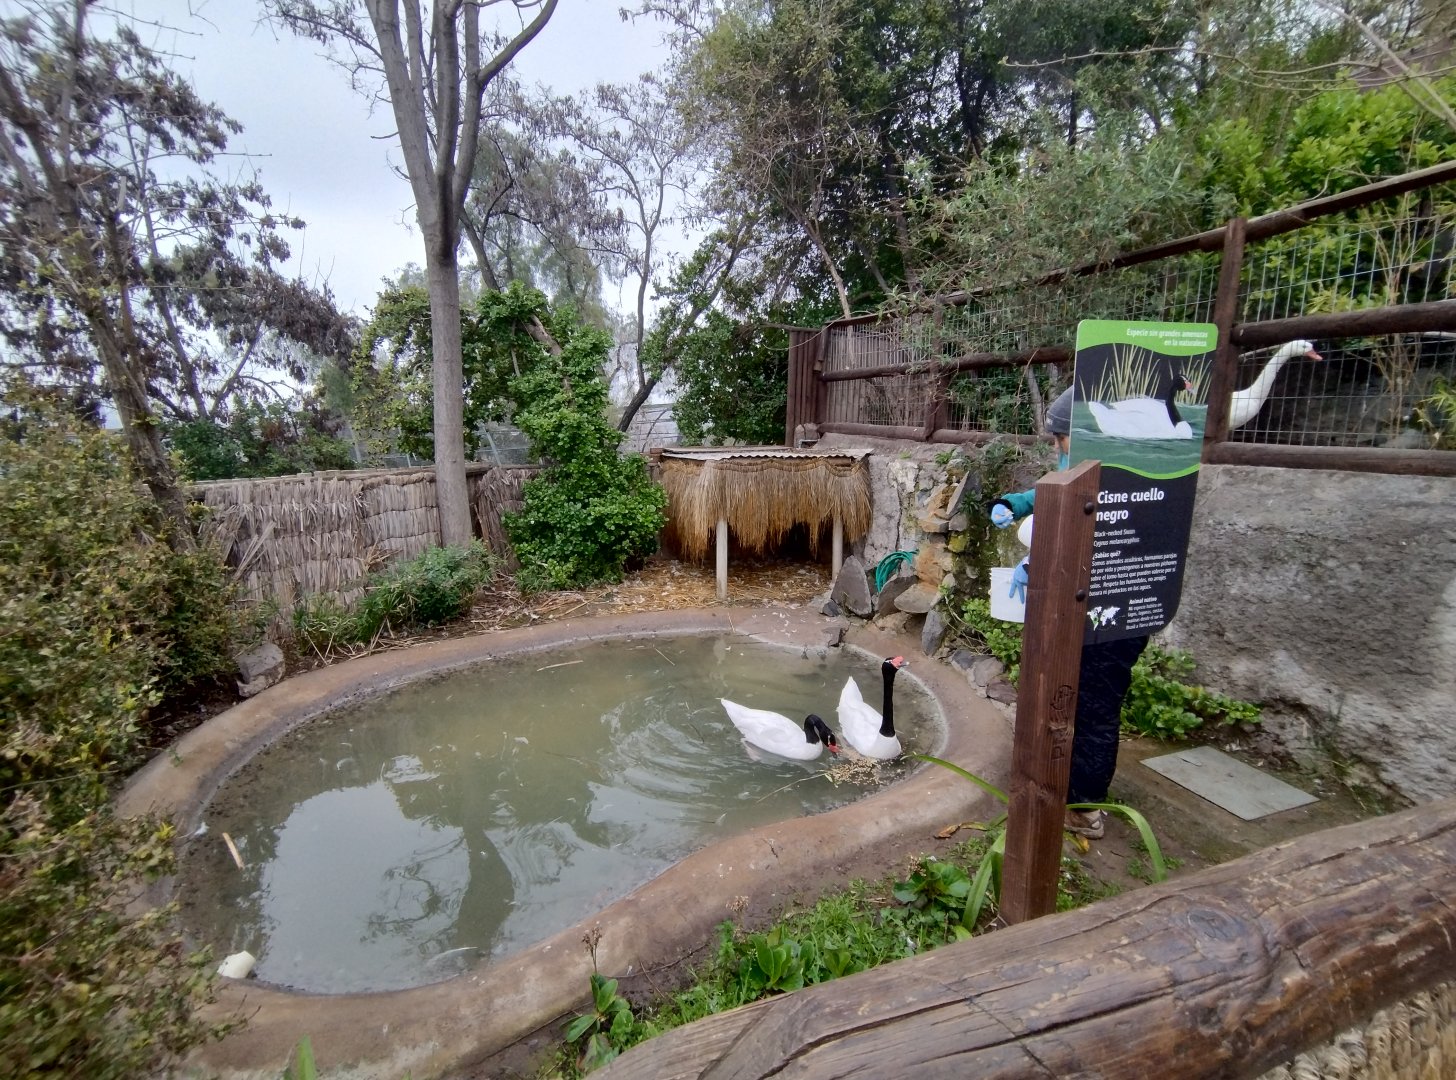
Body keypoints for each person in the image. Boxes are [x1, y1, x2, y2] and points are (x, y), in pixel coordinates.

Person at [988, 387, 1148, 840]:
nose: (1057, 449)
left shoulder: (1123, 486)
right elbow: (1051, 494)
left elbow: (1102, 546)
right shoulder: (1106, 469)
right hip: (1086, 607)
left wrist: (1033, 564)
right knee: (1063, 692)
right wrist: (1013, 503)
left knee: (1096, 707)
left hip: (1108, 615)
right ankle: (1052, 779)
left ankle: (1083, 807)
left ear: (1083, 436)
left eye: (1060, 439)